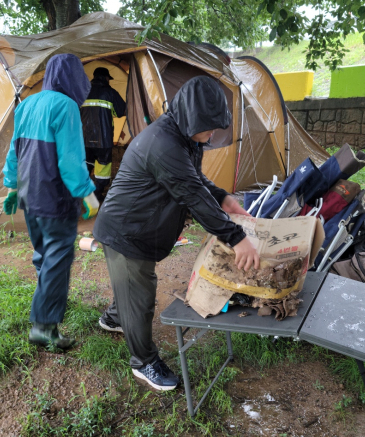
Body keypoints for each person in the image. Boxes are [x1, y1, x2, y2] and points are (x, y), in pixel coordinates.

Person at [93, 76, 260, 391]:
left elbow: (195, 179)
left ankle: (114, 317)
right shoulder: (163, 144)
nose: (212, 135)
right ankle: (143, 362)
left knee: (130, 286)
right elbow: (193, 197)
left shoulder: (184, 137)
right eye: (209, 127)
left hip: (138, 225)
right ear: (192, 118)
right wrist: (237, 239)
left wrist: (223, 197)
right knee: (141, 294)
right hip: (126, 231)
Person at [2, 53, 100, 350]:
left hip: (28, 194)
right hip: (54, 195)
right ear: (74, 79)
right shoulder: (66, 106)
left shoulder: (27, 103)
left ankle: (47, 299)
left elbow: (14, 150)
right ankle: (44, 326)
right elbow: (70, 159)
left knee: (43, 252)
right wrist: (87, 193)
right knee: (58, 256)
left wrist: (10, 185)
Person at [81, 67, 127, 202]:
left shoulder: (83, 92)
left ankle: (83, 194)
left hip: (84, 140)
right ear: (106, 78)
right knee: (103, 170)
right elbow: (122, 111)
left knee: (85, 166)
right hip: (104, 140)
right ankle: (97, 194)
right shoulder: (111, 92)